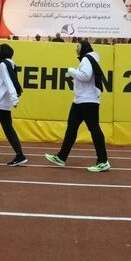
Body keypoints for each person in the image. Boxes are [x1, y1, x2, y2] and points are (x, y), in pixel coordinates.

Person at [45, 40, 110, 172]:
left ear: (84, 47)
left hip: (88, 100)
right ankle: (61, 157)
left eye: (78, 46)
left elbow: (85, 76)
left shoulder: (86, 59)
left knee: (94, 129)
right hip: (80, 100)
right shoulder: (88, 59)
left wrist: (71, 71)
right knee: (71, 128)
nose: (76, 49)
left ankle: (103, 161)